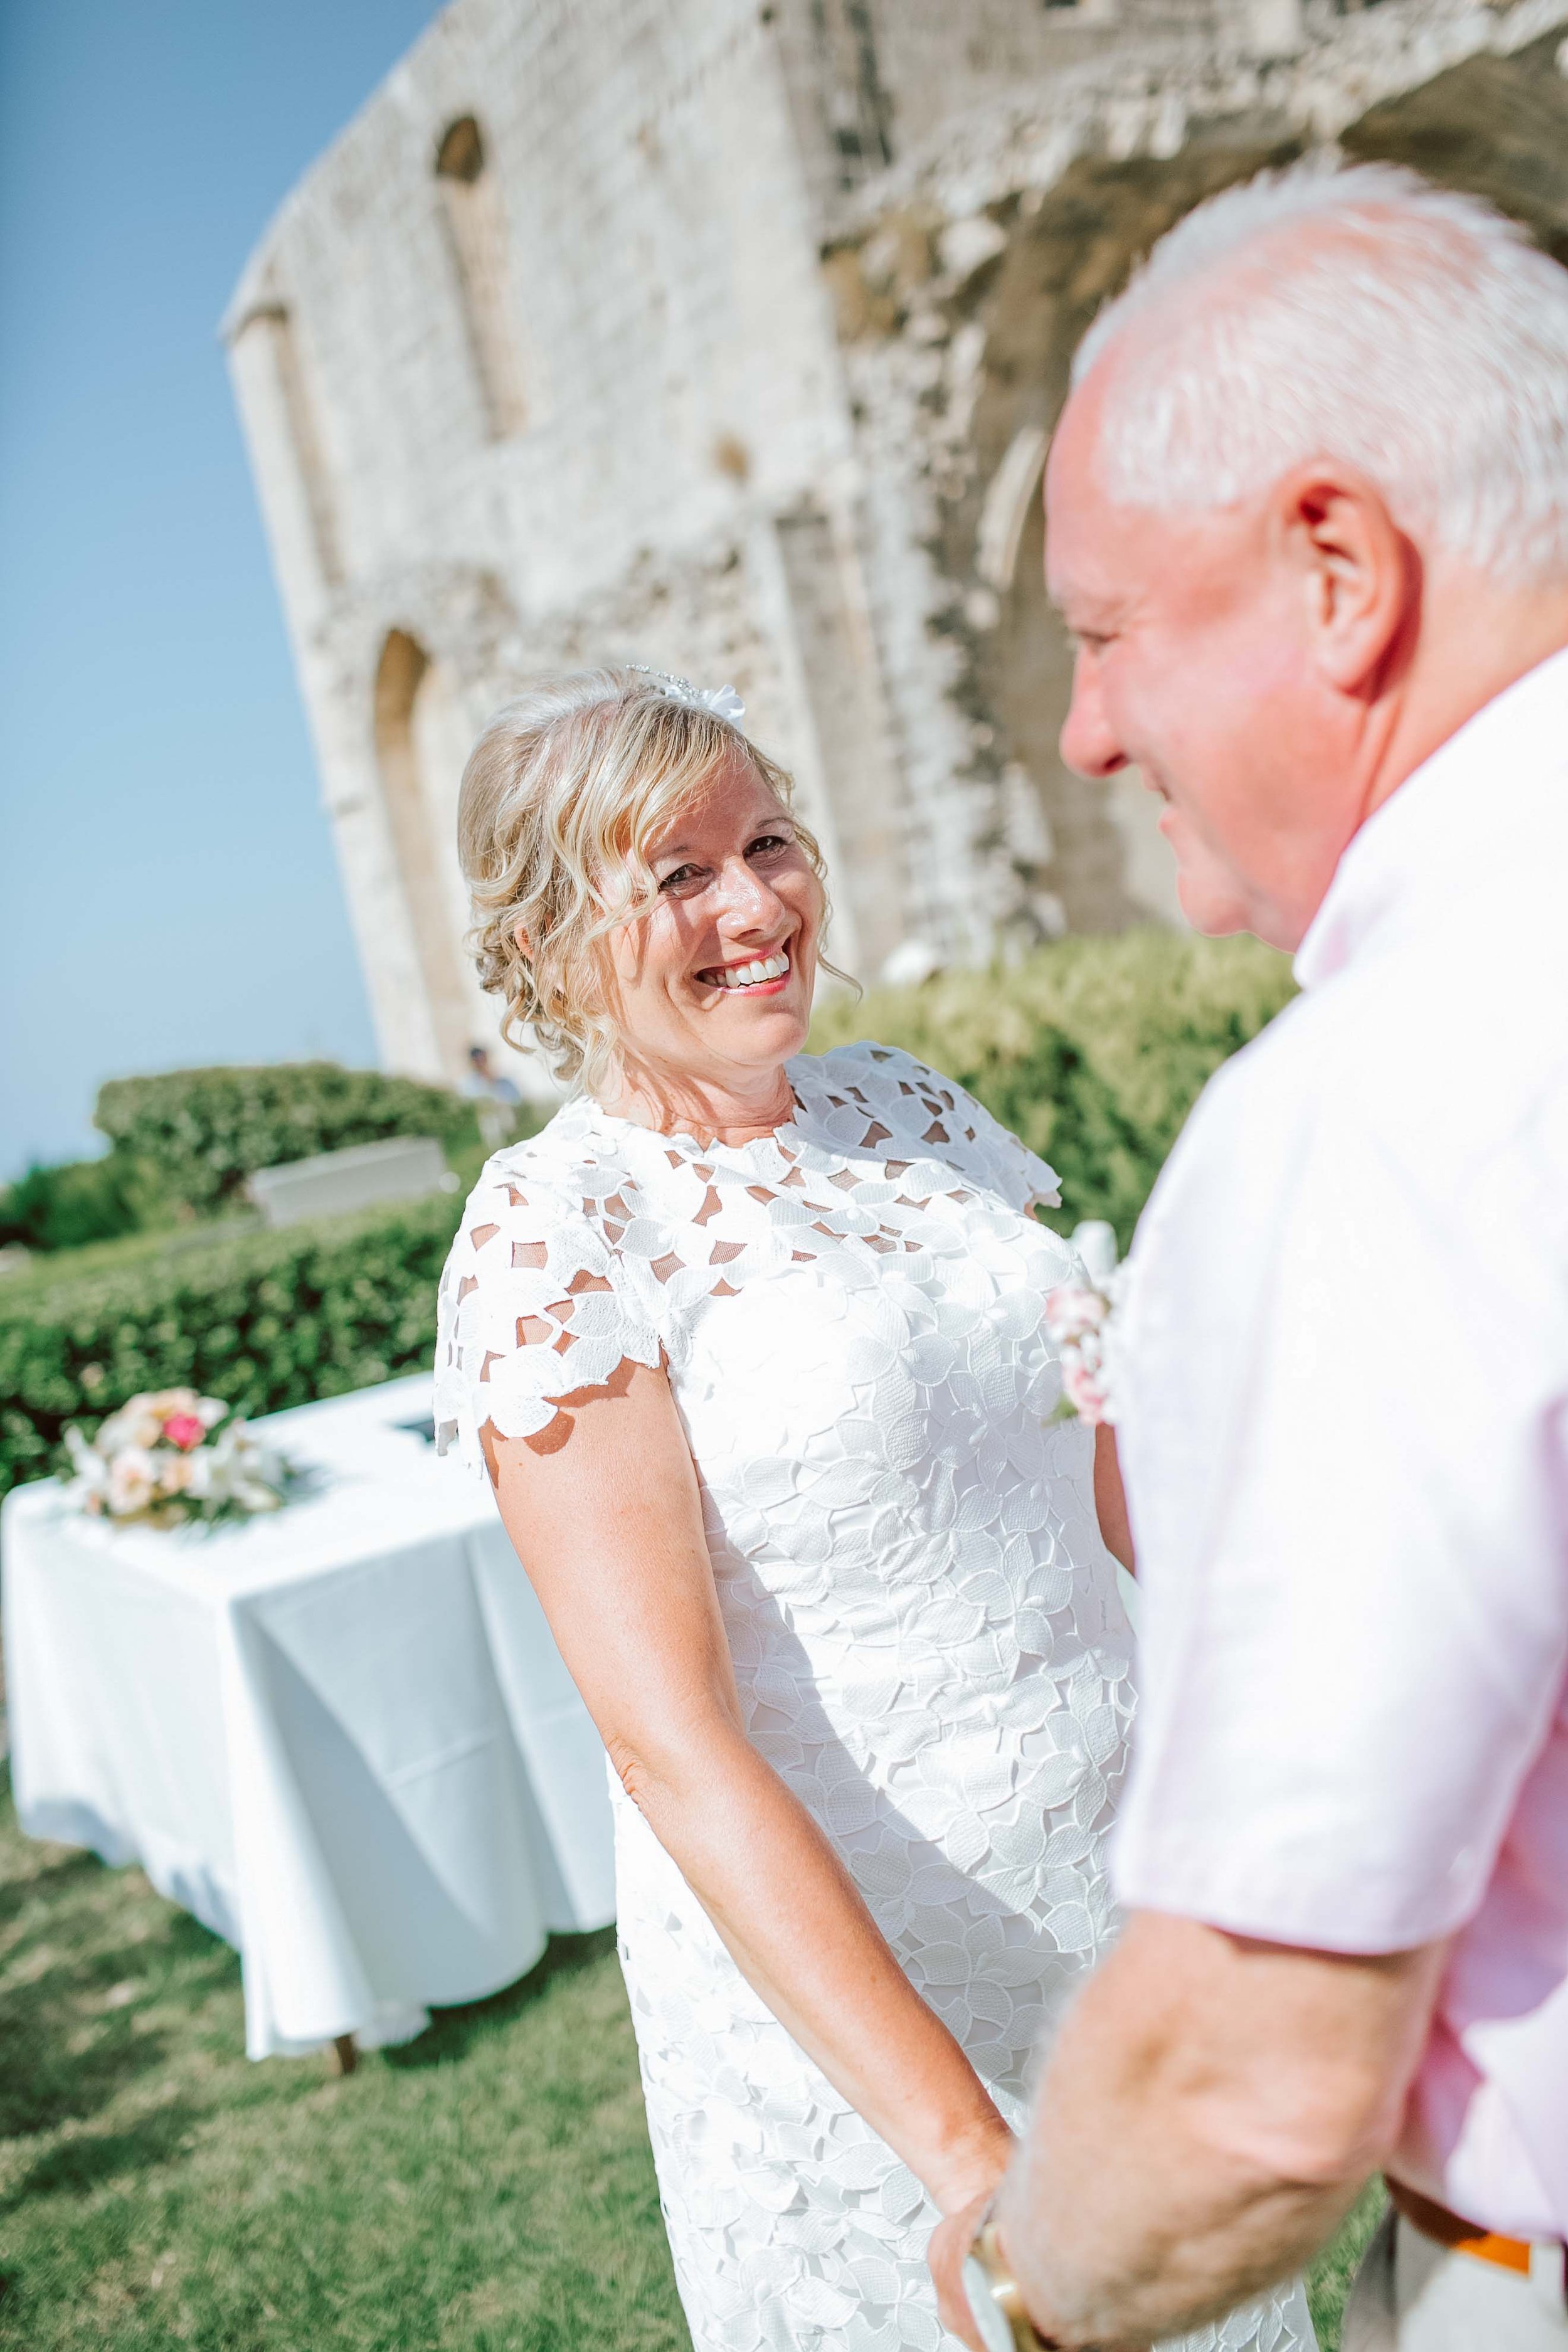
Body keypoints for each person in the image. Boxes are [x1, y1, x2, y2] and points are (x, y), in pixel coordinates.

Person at [432, 667, 1313, 2352]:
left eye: (766, 840)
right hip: (867, 2005)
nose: (756, 903)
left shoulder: (909, 1106)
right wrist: (965, 2156)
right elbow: (668, 1743)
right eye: (675, 874)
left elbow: (1108, 1463)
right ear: (548, 939)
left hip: (1123, 1902)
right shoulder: (560, 1229)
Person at [933, 162, 1568, 2352]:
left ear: (1335, 572)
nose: (1092, 730)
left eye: (1106, 632)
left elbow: (1260, 2066)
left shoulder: (1388, 1106)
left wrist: (1024, 2286)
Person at [460, 1041, 523, 1149]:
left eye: (482, 1059)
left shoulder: (503, 1080)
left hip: (507, 1117)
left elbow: (516, 1099)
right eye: (477, 1060)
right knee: (490, 1121)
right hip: (487, 1121)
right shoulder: (468, 1085)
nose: (481, 1063)